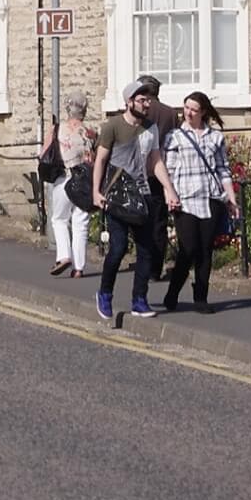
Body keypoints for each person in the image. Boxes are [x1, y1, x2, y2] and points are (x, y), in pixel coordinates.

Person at [92, 80, 181, 323]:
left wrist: (168, 189)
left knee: (146, 250)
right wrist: (96, 192)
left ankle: (139, 300)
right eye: (142, 100)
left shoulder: (150, 128)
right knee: (118, 248)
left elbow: (156, 161)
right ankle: (105, 293)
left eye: (148, 100)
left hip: (142, 195)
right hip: (118, 197)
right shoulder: (113, 126)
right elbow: (100, 160)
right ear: (129, 102)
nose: (146, 104)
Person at [161, 91, 237, 313]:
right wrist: (169, 195)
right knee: (189, 248)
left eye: (194, 109)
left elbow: (223, 169)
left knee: (205, 250)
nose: (188, 113)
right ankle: (173, 291)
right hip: (185, 199)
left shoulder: (215, 138)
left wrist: (231, 198)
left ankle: (200, 297)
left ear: (203, 112)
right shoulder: (175, 137)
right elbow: (169, 170)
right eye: (186, 108)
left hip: (211, 197)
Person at [132, 73, 179, 278]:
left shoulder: (141, 112)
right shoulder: (170, 113)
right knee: (159, 222)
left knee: (139, 220)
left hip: (141, 172)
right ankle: (155, 268)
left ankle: (144, 262)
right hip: (162, 174)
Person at [46, 93, 95, 277]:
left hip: (64, 179)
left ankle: (64, 256)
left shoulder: (57, 129)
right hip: (84, 180)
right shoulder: (90, 132)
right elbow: (94, 158)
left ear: (68, 109)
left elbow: (44, 152)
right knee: (81, 222)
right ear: (84, 110)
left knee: (59, 219)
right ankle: (79, 268)